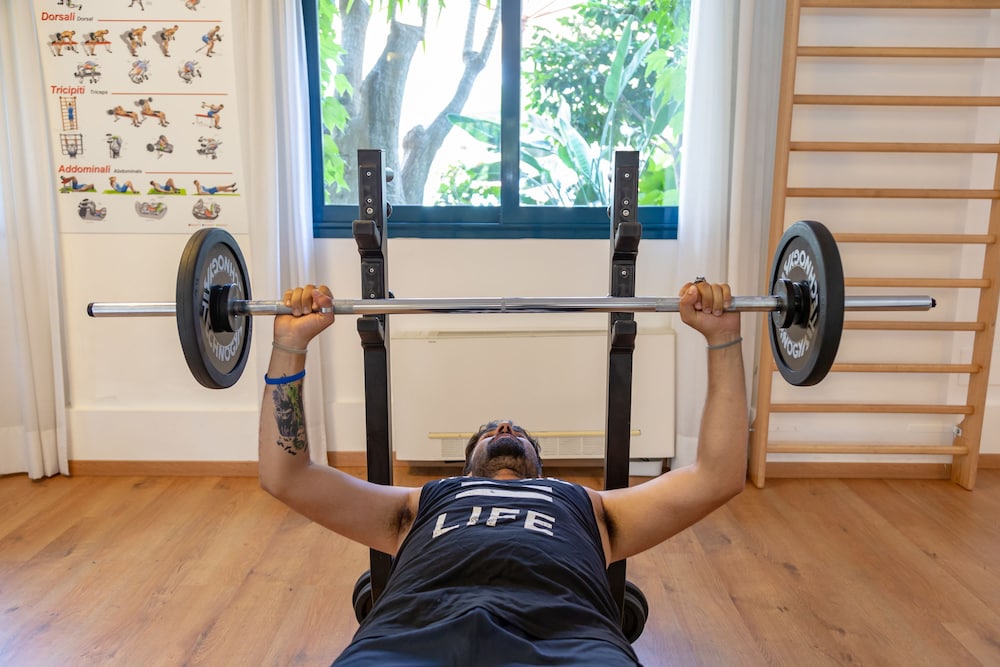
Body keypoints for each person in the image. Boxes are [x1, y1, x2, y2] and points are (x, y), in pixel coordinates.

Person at [258, 280, 748, 665]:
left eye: (517, 431)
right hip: (409, 638)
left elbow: (716, 477)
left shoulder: (586, 505)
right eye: (489, 431)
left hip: (569, 644)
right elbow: (288, 477)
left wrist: (723, 338)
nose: (505, 427)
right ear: (466, 466)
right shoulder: (424, 501)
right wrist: (290, 344)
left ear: (541, 468)